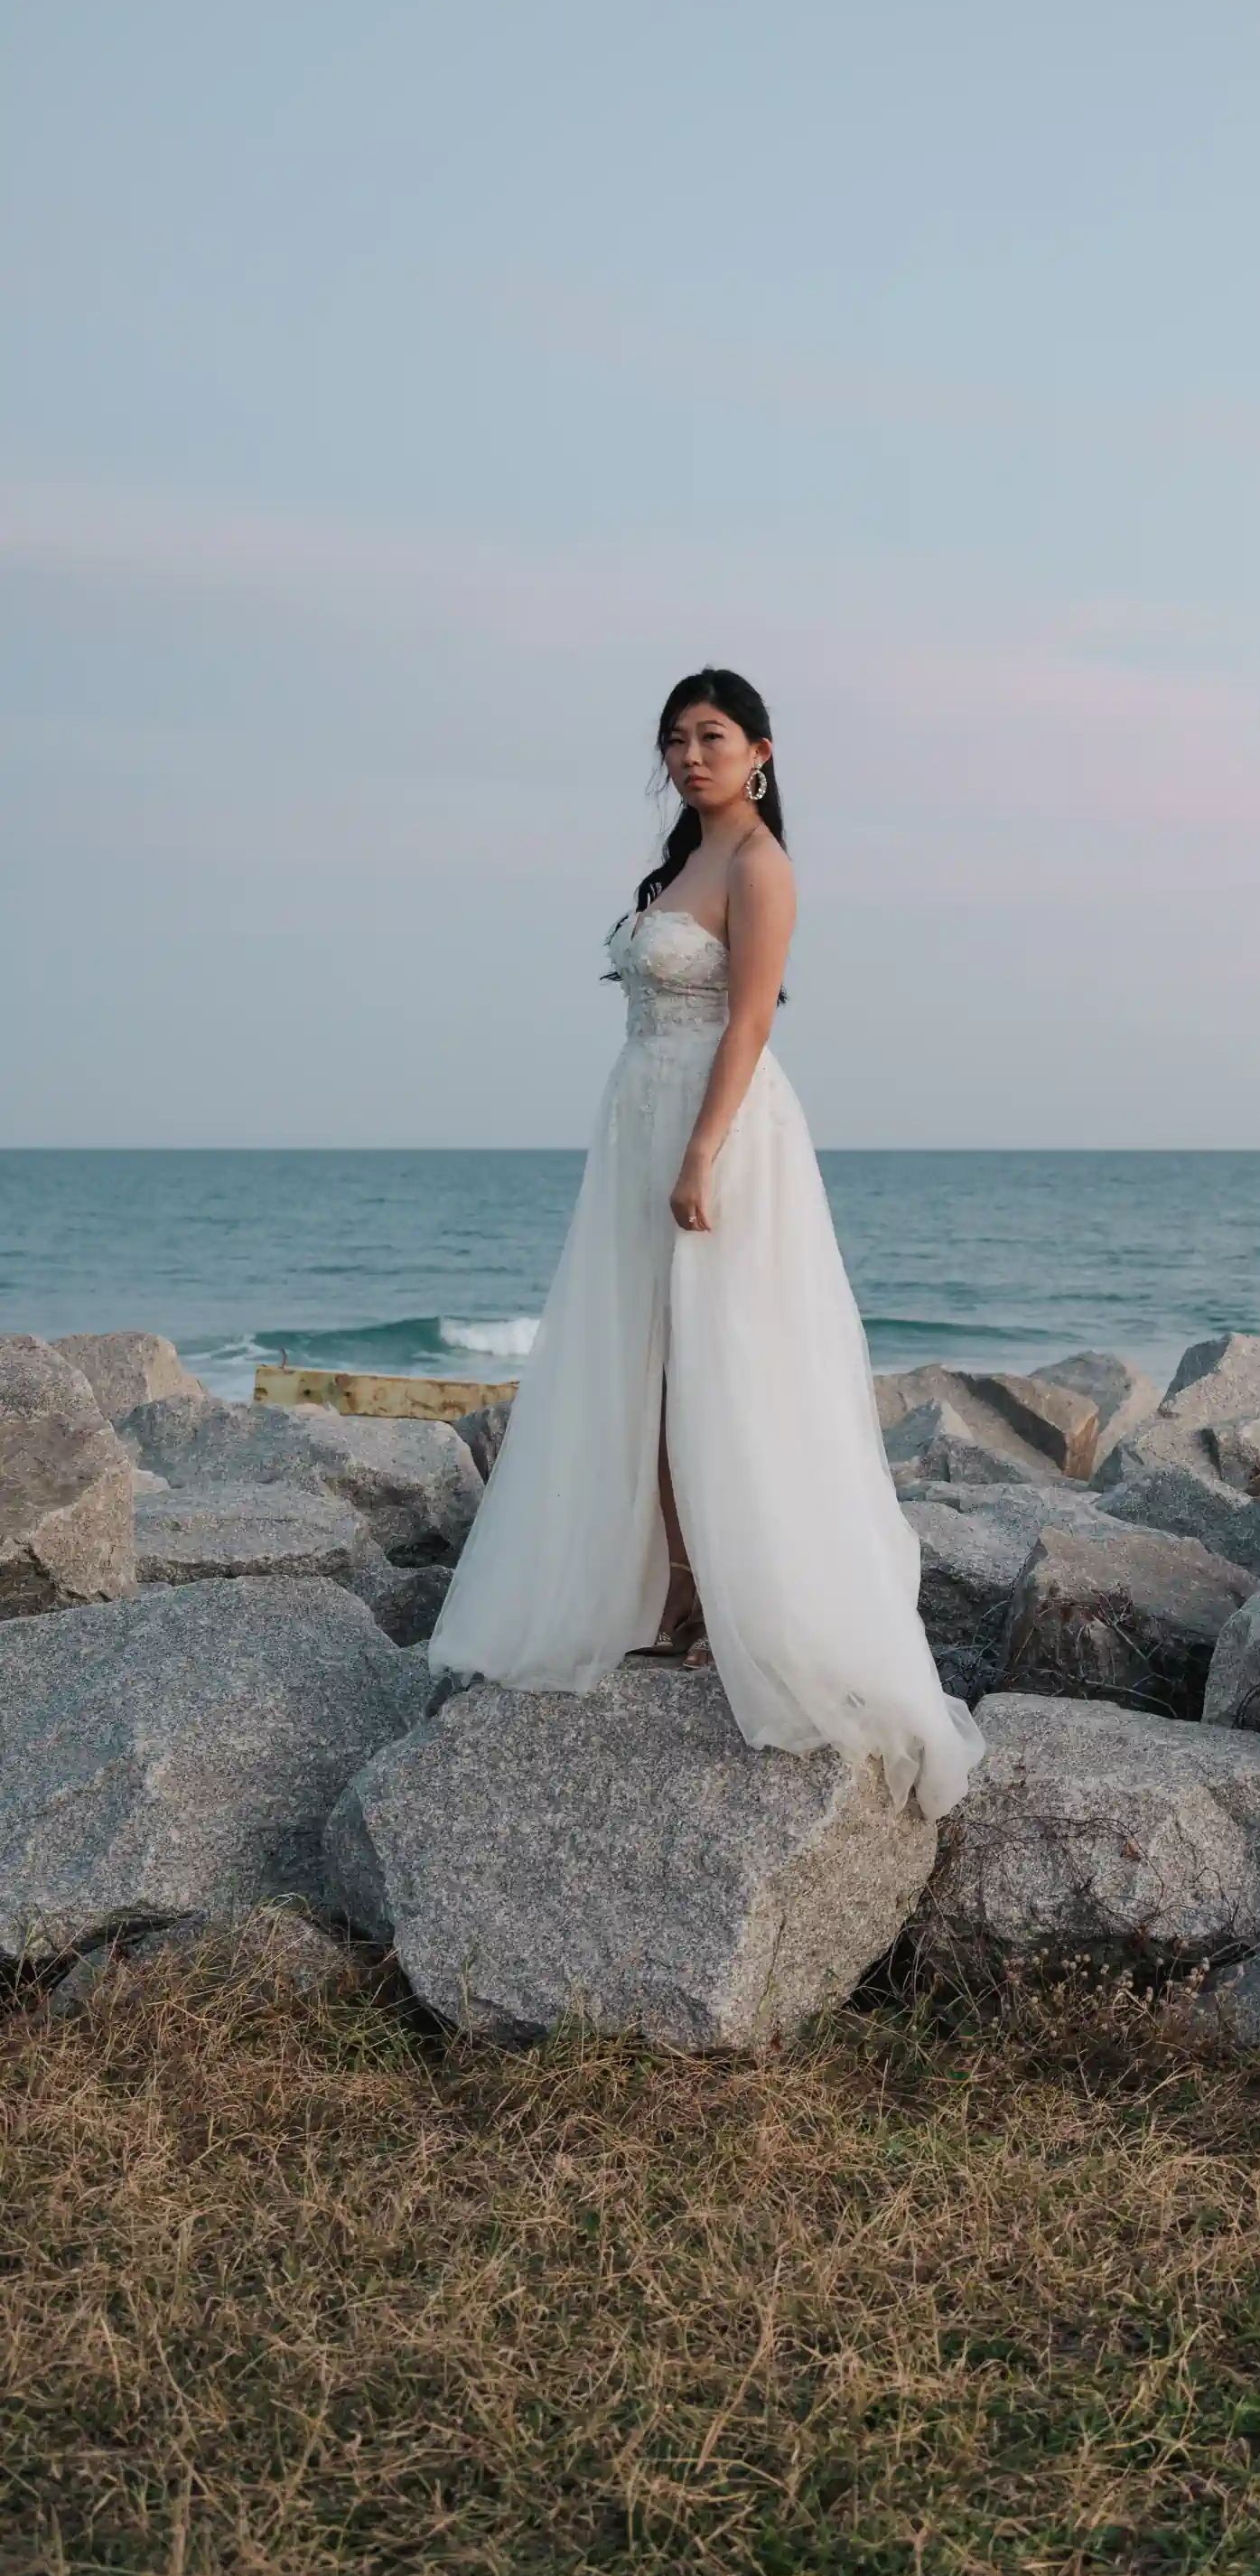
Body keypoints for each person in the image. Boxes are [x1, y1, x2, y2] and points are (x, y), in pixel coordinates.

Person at [430, 668, 982, 1822]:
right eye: (676, 739)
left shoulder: (761, 867)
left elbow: (751, 1021)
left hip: (716, 1130)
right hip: (639, 1122)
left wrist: (700, 1154)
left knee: (718, 1362)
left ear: (760, 753)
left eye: (713, 736)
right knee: (645, 1362)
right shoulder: (682, 863)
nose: (690, 755)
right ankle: (673, 1595)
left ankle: (737, 1606)